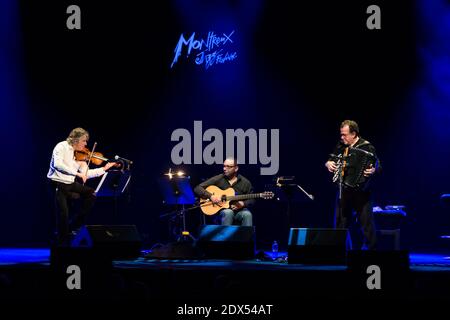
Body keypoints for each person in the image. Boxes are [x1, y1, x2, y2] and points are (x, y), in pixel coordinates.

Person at [47, 127, 116, 245]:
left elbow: (86, 174)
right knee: (63, 213)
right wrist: (76, 173)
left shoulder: (80, 157)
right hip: (58, 182)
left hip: (70, 183)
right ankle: (62, 242)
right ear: (76, 139)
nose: (85, 144)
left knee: (91, 194)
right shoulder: (61, 146)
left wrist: (104, 168)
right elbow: (58, 165)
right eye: (84, 141)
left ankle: (74, 225)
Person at [325, 120, 381, 250]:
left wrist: (374, 170)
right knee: (340, 224)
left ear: (354, 134)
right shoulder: (341, 145)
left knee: (366, 225)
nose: (342, 137)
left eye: (344, 135)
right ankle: (340, 253)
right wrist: (328, 163)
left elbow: (378, 165)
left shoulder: (367, 147)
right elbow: (331, 158)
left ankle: (371, 253)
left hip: (362, 192)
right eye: (341, 134)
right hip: (343, 190)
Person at [194, 158, 254, 226]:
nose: (224, 169)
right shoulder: (219, 178)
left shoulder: (245, 182)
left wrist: (243, 203)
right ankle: (225, 236)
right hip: (221, 211)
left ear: (236, 168)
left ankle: (247, 236)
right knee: (228, 212)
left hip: (239, 211)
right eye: (224, 166)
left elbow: (252, 199)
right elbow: (198, 188)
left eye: (228, 166)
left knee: (247, 214)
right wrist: (211, 196)